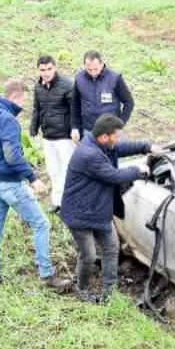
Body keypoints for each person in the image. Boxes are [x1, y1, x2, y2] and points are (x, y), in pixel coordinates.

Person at [0, 79, 71, 292]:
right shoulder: (8, 120)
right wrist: (33, 179)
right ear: (16, 96)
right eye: (24, 98)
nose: (24, 104)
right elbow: (12, 155)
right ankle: (47, 275)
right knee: (41, 224)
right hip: (9, 184)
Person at [60, 114, 160, 303]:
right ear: (105, 137)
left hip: (99, 211)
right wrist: (139, 171)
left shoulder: (100, 143)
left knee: (111, 248)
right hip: (79, 214)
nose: (119, 139)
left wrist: (147, 147)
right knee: (88, 255)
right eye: (116, 136)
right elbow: (114, 176)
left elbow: (121, 148)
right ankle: (81, 289)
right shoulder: (89, 154)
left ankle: (109, 292)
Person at [29, 55, 75, 212]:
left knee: (67, 170)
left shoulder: (67, 85)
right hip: (48, 136)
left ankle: (69, 203)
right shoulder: (38, 87)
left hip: (64, 137)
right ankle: (57, 202)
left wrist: (75, 130)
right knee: (53, 170)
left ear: (55, 67)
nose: (46, 73)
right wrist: (33, 128)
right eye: (42, 70)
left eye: (49, 69)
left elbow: (75, 110)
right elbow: (37, 109)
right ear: (38, 70)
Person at [71, 51, 135, 142]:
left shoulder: (115, 78)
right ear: (84, 66)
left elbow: (129, 102)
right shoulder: (79, 79)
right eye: (89, 69)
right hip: (89, 131)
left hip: (110, 132)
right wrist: (75, 127)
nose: (93, 72)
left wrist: (120, 124)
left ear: (102, 64)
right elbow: (75, 105)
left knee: (112, 155)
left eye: (95, 69)